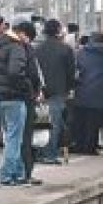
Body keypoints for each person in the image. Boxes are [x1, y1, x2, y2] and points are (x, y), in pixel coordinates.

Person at [0, 17, 31, 186]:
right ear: (21, 33)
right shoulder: (16, 47)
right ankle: (6, 174)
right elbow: (15, 72)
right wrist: (26, 85)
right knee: (14, 137)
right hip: (13, 96)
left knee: (11, 135)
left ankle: (18, 173)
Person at [35, 18, 75, 165]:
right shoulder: (66, 49)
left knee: (41, 122)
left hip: (40, 90)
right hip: (58, 90)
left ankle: (40, 152)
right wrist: (70, 88)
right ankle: (50, 154)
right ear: (58, 31)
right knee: (55, 123)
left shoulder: (37, 49)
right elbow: (71, 72)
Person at [71, 32, 103, 155]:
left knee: (81, 120)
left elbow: (77, 67)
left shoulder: (80, 52)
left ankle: (79, 144)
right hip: (99, 90)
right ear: (102, 40)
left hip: (82, 88)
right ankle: (90, 146)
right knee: (94, 121)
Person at [14, 18, 44, 186]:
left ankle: (16, 172)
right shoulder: (25, 49)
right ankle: (25, 172)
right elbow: (32, 73)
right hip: (26, 97)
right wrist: (35, 89)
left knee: (14, 136)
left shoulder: (4, 46)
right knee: (25, 137)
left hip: (8, 97)